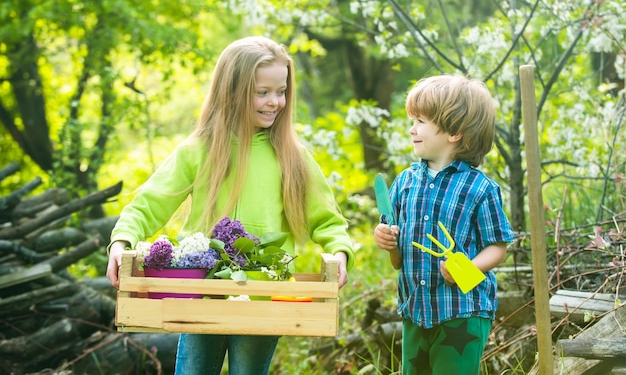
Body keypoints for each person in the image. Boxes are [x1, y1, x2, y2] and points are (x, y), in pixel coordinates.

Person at [106, 36, 355, 375]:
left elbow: (327, 220)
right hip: (200, 293)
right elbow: (148, 206)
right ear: (232, 91)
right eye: (262, 92)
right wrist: (121, 243)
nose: (275, 102)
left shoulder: (293, 158)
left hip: (261, 297)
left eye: (281, 91)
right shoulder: (198, 152)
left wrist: (339, 252)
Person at [374, 74, 514, 375]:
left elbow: (498, 247)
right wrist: (387, 241)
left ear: (453, 132)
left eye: (420, 121)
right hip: (416, 310)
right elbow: (398, 260)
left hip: (461, 312)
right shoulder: (404, 183)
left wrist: (468, 267)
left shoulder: (479, 188)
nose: (412, 129)